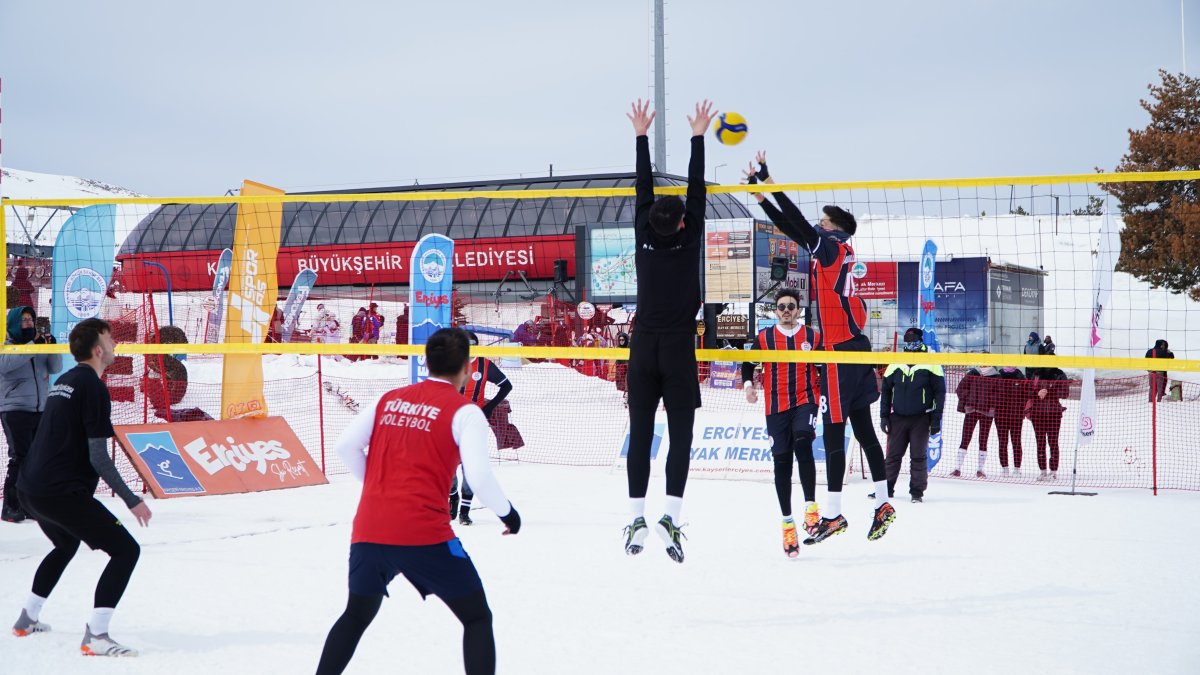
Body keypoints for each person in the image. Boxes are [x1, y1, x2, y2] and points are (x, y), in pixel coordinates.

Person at [316, 328, 521, 675]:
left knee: (356, 615)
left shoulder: (389, 399)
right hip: (424, 535)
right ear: (469, 369)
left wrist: (379, 488)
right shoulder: (465, 411)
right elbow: (480, 478)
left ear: (425, 361)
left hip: (370, 530)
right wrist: (509, 515)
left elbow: (344, 446)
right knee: (476, 617)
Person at [743, 152, 895, 544]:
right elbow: (793, 226)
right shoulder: (841, 252)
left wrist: (767, 187)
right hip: (855, 348)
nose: (817, 224)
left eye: (823, 221)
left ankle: (832, 515)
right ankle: (882, 503)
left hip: (836, 351)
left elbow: (794, 220)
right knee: (863, 430)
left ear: (835, 229)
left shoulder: (829, 248)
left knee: (832, 432)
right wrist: (763, 190)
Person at [12, 318, 151, 656]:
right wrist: (133, 500)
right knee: (126, 551)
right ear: (97, 349)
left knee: (65, 544)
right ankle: (98, 637)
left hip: (30, 489)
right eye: (110, 338)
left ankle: (27, 618)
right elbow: (99, 458)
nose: (115, 344)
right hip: (58, 492)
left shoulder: (66, 381)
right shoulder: (92, 387)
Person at [620, 98, 716, 563]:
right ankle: (669, 517)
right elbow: (696, 189)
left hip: (643, 349)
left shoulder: (642, 231)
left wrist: (641, 136)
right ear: (682, 223)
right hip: (678, 349)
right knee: (681, 438)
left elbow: (644, 188)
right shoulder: (689, 236)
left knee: (641, 434)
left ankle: (636, 517)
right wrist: (698, 136)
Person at [741, 288, 822, 558]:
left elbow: (827, 367)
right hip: (775, 406)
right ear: (776, 311)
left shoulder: (813, 337)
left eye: (791, 306)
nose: (786, 310)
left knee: (803, 443)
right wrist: (748, 385)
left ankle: (811, 510)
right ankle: (788, 523)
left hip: (805, 400)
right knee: (782, 464)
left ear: (799, 310)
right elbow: (747, 364)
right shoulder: (764, 337)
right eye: (782, 306)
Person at [1, 307, 63, 523]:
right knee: (20, 457)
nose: (28, 323)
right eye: (24, 319)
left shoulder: (36, 344)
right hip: (14, 408)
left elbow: (55, 367)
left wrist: (52, 347)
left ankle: (29, 505)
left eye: (31, 319)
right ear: (15, 322)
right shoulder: (6, 344)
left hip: (40, 408)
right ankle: (10, 506)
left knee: (37, 459)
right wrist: (32, 346)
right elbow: (5, 366)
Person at [449, 331, 516, 526]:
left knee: (470, 468)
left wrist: (489, 407)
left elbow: (506, 386)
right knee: (448, 467)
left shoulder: (485, 365)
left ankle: (464, 512)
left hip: (474, 423)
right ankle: (453, 495)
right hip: (450, 422)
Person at [879, 328, 945, 503]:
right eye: (907, 340)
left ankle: (916, 492)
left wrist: (936, 418)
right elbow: (886, 391)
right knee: (892, 456)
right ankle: (886, 489)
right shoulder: (897, 361)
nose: (910, 343)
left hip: (921, 418)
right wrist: (884, 416)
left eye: (914, 340)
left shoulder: (931, 361)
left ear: (921, 341)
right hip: (898, 417)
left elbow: (940, 392)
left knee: (918, 456)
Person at [951, 366, 999, 478]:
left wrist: (987, 401)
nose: (983, 364)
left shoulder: (996, 376)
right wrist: (970, 398)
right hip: (971, 410)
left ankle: (980, 470)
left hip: (987, 412)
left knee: (983, 440)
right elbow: (960, 389)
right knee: (965, 438)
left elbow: (999, 394)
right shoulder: (972, 373)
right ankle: (957, 468)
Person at [1029, 367, 1070, 481]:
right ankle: (1043, 471)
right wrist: (1037, 392)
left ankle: (1053, 471)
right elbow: (1027, 391)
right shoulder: (1036, 373)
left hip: (1053, 414)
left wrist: (1049, 391)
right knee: (1040, 443)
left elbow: (1065, 393)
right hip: (1037, 414)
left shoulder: (1059, 374)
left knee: (1053, 443)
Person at [994, 366, 1029, 475]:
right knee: (1003, 442)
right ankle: (1005, 467)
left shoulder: (1021, 378)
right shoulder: (997, 376)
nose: (1009, 365)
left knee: (1016, 442)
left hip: (1016, 416)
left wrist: (1021, 408)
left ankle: (1017, 468)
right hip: (1000, 416)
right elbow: (991, 393)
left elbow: (1027, 395)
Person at [1146, 339, 1174, 403]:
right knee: (1160, 388)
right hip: (1160, 372)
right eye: (1163, 345)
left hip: (1150, 372)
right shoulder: (1164, 352)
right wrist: (1170, 352)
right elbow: (1171, 358)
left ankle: (1150, 401)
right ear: (1161, 345)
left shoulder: (1149, 351)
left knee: (1152, 387)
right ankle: (1159, 401)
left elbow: (1146, 360)